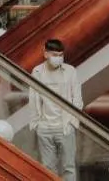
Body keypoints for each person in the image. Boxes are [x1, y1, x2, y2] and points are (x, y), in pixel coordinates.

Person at [30, 38, 82, 181]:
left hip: (65, 126)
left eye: (60, 55)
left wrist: (72, 122)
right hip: (45, 127)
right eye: (54, 55)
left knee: (68, 167)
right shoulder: (37, 71)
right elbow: (34, 99)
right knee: (47, 168)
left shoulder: (70, 71)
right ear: (46, 54)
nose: (58, 58)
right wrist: (37, 124)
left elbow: (77, 99)